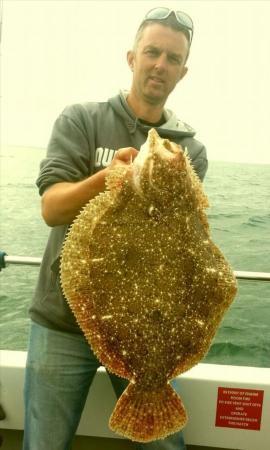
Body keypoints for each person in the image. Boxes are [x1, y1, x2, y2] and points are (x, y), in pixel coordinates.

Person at [23, 7, 208, 450]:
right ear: (132, 58)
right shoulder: (81, 120)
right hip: (61, 322)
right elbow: (51, 209)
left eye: (172, 58)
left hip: (146, 333)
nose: (160, 64)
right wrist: (104, 181)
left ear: (183, 71)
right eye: (152, 52)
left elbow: (188, 242)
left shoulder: (192, 149)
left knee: (168, 444)